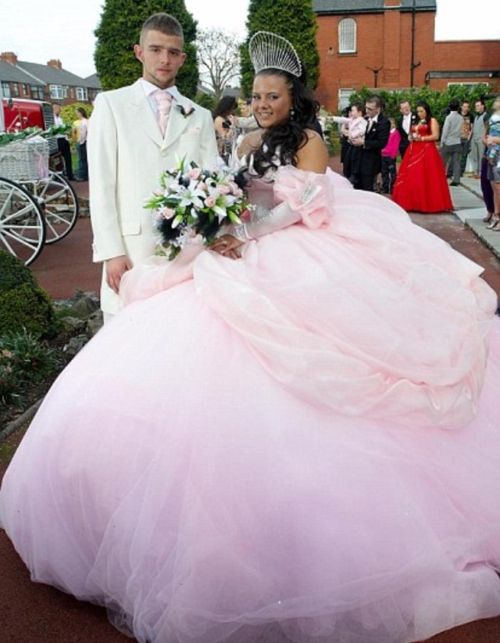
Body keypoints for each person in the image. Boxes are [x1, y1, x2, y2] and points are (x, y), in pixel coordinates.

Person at [1, 31, 500, 643]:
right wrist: (216, 223)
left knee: (313, 363)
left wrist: (247, 232)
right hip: (238, 248)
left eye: (272, 95)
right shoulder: (243, 138)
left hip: (297, 252)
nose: (262, 103)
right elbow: (232, 192)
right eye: (257, 94)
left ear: (294, 98)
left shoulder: (312, 142)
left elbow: (300, 210)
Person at [87, 12, 218, 319]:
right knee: (126, 350)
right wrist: (112, 252)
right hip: (131, 253)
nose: (164, 59)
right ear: (139, 52)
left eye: (173, 52)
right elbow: (102, 185)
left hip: (184, 255)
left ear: (183, 58)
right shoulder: (111, 105)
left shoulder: (198, 115)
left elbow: (211, 183)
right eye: (156, 49)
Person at [392, 100, 452, 213]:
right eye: (418, 111)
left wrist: (422, 139)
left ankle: (428, 203)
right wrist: (412, 137)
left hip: (427, 150)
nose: (419, 113)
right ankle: (412, 202)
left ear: (426, 110)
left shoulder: (432, 120)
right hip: (414, 149)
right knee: (412, 176)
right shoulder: (418, 121)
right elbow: (413, 133)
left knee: (426, 176)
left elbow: (435, 136)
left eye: (421, 111)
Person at [352, 94, 390, 191]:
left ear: (378, 109)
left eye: (370, 109)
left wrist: (364, 142)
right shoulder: (364, 120)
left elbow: (382, 143)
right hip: (358, 160)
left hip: (370, 162)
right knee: (356, 188)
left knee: (367, 189)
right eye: (366, 108)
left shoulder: (384, 122)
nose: (367, 111)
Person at [330, 101, 367, 186]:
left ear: (359, 112)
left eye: (353, 110)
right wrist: (332, 118)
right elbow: (342, 119)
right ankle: (348, 174)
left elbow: (362, 130)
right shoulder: (352, 120)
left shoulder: (362, 121)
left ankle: (354, 176)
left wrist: (352, 135)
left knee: (355, 160)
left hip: (357, 145)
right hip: (351, 144)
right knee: (348, 160)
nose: (351, 112)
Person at [484, 95, 500, 231]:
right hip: (492, 153)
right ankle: (496, 215)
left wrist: (494, 139)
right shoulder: (493, 115)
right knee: (494, 187)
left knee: (499, 188)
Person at [440, 98, 463, 186]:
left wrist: (442, 142)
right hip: (457, 141)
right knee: (456, 162)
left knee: (443, 162)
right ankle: (456, 180)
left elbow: (445, 131)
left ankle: (441, 178)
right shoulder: (461, 118)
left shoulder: (448, 118)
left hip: (448, 142)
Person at [52, 103, 75, 180]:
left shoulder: (60, 119)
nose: (60, 110)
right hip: (57, 140)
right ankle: (58, 176)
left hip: (64, 139)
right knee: (57, 159)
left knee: (68, 158)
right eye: (58, 108)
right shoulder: (52, 119)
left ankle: (70, 175)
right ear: (54, 108)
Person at [212, 95, 238, 163]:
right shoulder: (219, 119)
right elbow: (226, 138)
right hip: (220, 155)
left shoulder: (226, 118)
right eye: (231, 108)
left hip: (228, 153)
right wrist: (232, 125)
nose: (232, 111)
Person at [380, 117, 401, 194]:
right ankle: (385, 187)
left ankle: (393, 188)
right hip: (383, 155)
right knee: (384, 172)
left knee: (392, 173)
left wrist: (393, 156)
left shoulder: (396, 133)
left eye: (391, 123)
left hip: (390, 157)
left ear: (394, 124)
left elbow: (395, 146)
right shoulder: (386, 133)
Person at [470, 98, 487, 178]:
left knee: (481, 156)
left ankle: (481, 173)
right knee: (474, 156)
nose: (476, 107)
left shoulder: (486, 116)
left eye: (478, 105)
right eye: (475, 106)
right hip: (474, 139)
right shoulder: (476, 116)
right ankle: (475, 172)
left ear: (482, 106)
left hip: (481, 139)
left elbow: (487, 128)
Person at [73, 107, 88, 181]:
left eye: (77, 113)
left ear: (81, 113)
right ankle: (85, 175)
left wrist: (80, 141)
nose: (76, 114)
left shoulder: (85, 122)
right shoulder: (79, 122)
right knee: (83, 159)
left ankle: (81, 176)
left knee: (81, 159)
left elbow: (84, 133)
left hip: (83, 142)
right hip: (82, 142)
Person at [459, 100, 472, 176]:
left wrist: (469, 137)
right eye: (464, 106)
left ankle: (461, 172)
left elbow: (472, 127)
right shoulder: (458, 115)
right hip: (458, 138)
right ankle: (453, 171)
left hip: (466, 138)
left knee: (464, 156)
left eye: (467, 107)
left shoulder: (470, 116)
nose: (466, 108)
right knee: (456, 156)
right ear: (461, 107)